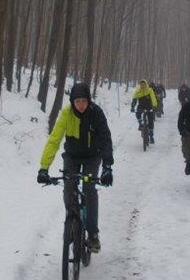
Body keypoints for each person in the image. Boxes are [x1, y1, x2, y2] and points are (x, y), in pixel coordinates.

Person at [37, 83, 113, 253]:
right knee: (68, 187)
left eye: (84, 101)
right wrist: (44, 168)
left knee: (89, 188)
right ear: (72, 101)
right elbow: (54, 140)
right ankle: (72, 220)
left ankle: (92, 234)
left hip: (92, 156)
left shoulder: (96, 113)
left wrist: (107, 166)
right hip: (72, 156)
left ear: (88, 101)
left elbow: (105, 138)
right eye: (77, 101)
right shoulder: (66, 113)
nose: (80, 104)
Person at [131, 79, 158, 143]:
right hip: (141, 107)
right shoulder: (137, 91)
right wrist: (132, 107)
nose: (142, 85)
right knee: (137, 113)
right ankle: (140, 124)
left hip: (149, 107)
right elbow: (134, 99)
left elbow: (153, 98)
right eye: (141, 84)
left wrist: (154, 106)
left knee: (151, 120)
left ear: (146, 84)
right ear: (140, 84)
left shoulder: (149, 90)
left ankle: (151, 136)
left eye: (144, 84)